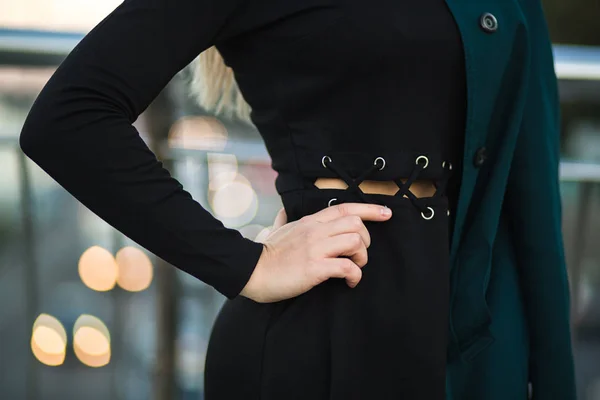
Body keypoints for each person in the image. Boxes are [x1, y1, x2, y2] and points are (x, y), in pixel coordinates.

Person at [19, 0, 577, 398]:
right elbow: (69, 119)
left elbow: (532, 206)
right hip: (323, 338)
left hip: (477, 344)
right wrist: (248, 265)